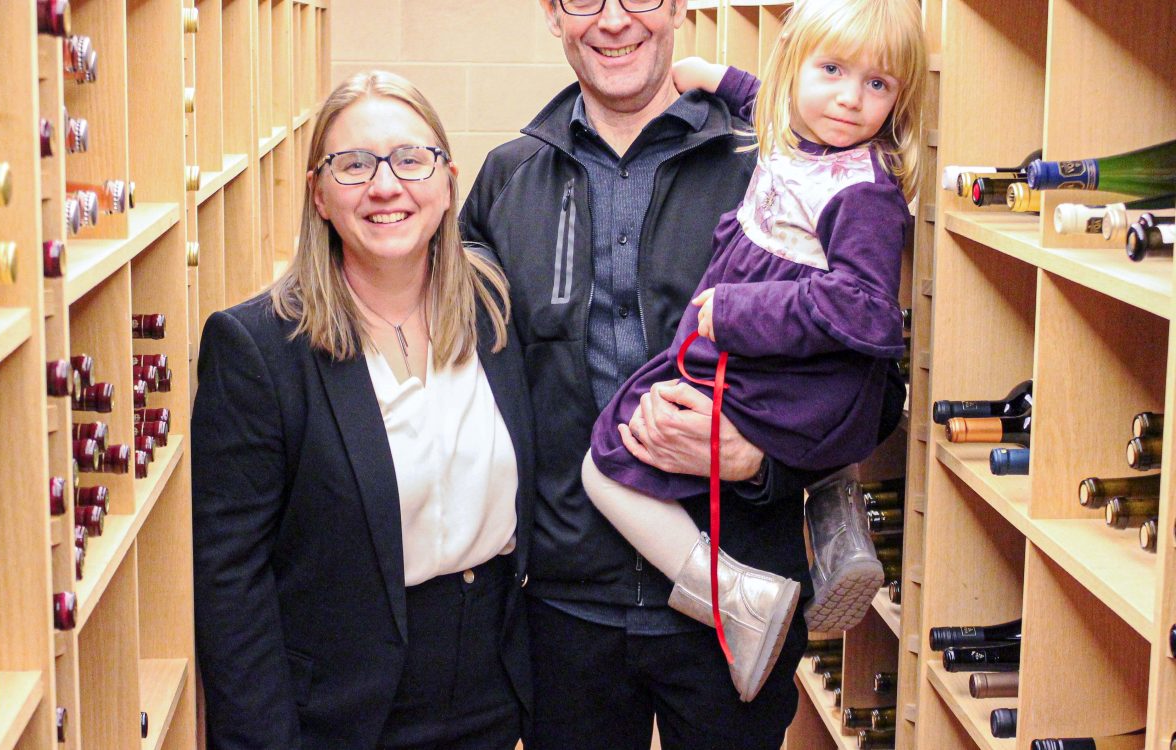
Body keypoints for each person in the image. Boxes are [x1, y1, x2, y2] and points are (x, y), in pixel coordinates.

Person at [461, 0, 908, 747]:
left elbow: (876, 393)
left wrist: (760, 461)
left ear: (675, 6)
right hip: (564, 616)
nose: (613, 20)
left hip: (740, 608)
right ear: (551, 13)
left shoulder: (777, 163)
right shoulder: (506, 182)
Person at [582, 0, 927, 702]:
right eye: (831, 70)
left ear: (899, 99)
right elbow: (764, 94)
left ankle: (734, 596)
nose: (848, 99)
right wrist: (710, 75)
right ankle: (833, 515)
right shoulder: (795, 132)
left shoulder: (863, 194)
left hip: (789, 371)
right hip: (780, 368)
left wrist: (743, 309)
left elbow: (867, 311)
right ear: (795, 68)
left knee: (604, 465)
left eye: (877, 85)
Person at [192, 70, 534, 750]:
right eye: (353, 165)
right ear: (318, 193)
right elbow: (232, 584)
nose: (386, 185)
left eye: (411, 159)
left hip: (492, 696)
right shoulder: (258, 347)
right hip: (343, 713)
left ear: (446, 182)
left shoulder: (496, 308)